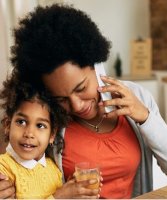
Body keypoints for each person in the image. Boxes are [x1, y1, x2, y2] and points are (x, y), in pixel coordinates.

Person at [0, 4, 167, 199]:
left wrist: (145, 117)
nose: (76, 105)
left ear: (95, 64)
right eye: (61, 98)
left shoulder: (135, 97)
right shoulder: (45, 116)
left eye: (81, 88)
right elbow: (16, 166)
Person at [0, 70, 101, 198]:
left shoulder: (54, 169)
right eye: (21, 122)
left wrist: (72, 190)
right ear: (8, 126)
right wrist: (59, 197)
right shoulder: (4, 169)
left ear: (52, 135)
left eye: (40, 125)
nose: (29, 133)